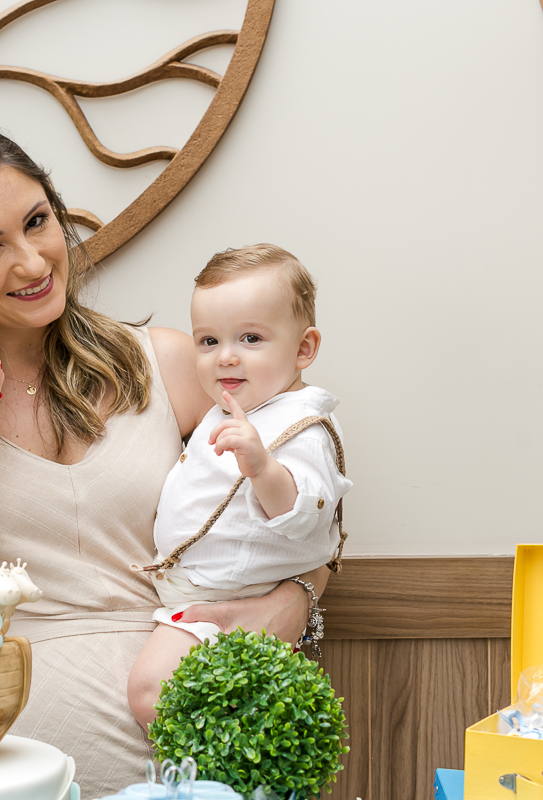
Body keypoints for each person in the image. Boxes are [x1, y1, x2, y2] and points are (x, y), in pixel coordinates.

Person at [0, 122, 329, 794]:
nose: (33, 262)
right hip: (9, 779)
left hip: (202, 763)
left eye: (38, 221)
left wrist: (298, 600)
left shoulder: (170, 364)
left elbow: (299, 516)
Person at [127, 245, 352, 728]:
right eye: (208, 341)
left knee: (149, 691)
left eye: (250, 338)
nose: (225, 356)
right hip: (204, 593)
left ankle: (210, 773)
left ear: (304, 349)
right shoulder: (235, 407)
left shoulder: (303, 424)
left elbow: (307, 509)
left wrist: (263, 468)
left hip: (234, 603)